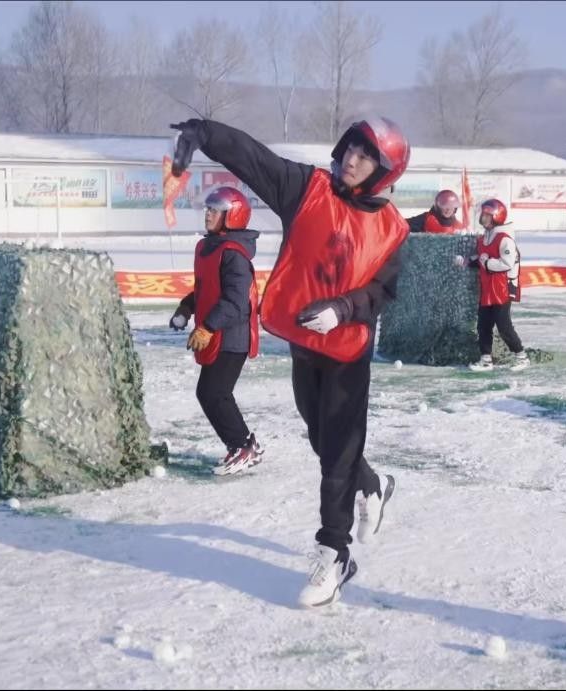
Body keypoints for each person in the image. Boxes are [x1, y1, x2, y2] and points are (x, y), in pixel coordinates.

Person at [170, 115, 407, 609]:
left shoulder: (391, 229)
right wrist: (206, 133)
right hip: (305, 344)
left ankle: (334, 553)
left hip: (347, 350)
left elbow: (382, 290)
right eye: (349, 149)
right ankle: (374, 484)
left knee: (337, 452)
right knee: (323, 441)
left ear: (383, 171)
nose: (351, 159)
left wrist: (341, 309)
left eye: (365, 156)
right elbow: (256, 160)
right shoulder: (308, 190)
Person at [170, 186, 263, 476]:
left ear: (232, 216)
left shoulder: (234, 254)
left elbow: (235, 302)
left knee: (214, 392)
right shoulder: (208, 247)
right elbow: (206, 289)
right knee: (213, 392)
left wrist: (208, 326)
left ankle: (241, 447)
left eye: (215, 210)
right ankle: (246, 444)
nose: (208, 214)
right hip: (216, 333)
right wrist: (186, 309)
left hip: (231, 335)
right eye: (208, 209)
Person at [455, 198, 528, 372]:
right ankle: (485, 358)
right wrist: (466, 262)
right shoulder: (484, 238)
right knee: (483, 325)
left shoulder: (504, 239)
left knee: (504, 326)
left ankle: (521, 355)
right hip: (487, 289)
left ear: (496, 216)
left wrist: (488, 263)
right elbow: (481, 258)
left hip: (500, 289)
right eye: (483, 214)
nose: (483, 218)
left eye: (487, 215)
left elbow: (507, 263)